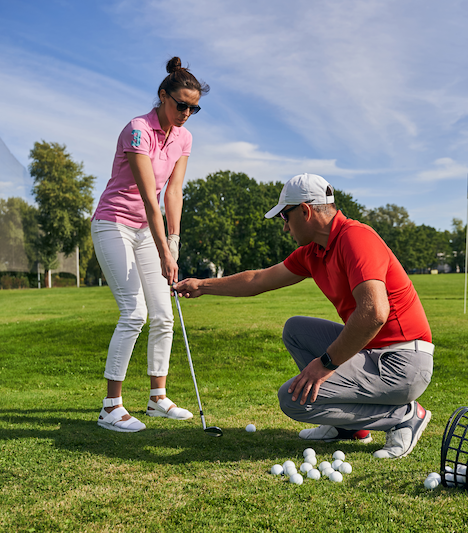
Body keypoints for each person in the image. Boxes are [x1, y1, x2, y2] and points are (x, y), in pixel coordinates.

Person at [174, 173, 434, 458]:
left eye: (285, 218)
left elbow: (374, 313)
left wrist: (325, 364)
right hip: (373, 353)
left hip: (403, 362)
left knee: (294, 400)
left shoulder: (356, 238)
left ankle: (404, 416)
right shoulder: (313, 253)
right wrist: (202, 286)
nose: (285, 228)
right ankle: (347, 428)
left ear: (305, 211)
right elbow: (257, 280)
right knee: (296, 329)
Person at [91, 57, 209, 432]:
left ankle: (157, 398)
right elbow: (148, 197)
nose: (187, 113)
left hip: (148, 230)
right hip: (114, 224)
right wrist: (164, 250)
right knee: (134, 312)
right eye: (181, 105)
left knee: (163, 314)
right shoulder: (137, 130)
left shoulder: (184, 137)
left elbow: (173, 192)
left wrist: (172, 242)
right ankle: (111, 406)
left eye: (194, 108)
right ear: (163, 96)